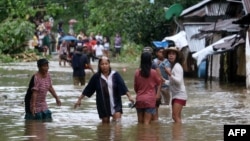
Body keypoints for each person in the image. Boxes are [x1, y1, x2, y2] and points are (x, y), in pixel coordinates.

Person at [74, 56, 134, 123]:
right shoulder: (96, 77)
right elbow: (88, 89)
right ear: (99, 66)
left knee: (117, 125)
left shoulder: (115, 75)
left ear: (109, 65)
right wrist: (79, 99)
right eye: (102, 64)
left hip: (116, 103)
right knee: (105, 126)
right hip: (102, 104)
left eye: (106, 64)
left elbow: (123, 86)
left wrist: (129, 96)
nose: (104, 66)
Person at [134, 52, 161, 125]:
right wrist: (157, 94)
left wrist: (140, 94)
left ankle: (140, 136)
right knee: (147, 123)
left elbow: (135, 87)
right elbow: (159, 83)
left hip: (139, 99)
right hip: (150, 100)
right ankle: (147, 136)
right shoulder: (153, 72)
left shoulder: (137, 73)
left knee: (140, 122)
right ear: (150, 60)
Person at [164, 47, 187, 123]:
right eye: (169, 54)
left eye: (173, 54)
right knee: (176, 117)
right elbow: (172, 83)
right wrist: (164, 81)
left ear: (176, 56)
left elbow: (179, 81)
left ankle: (177, 133)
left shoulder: (177, 66)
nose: (171, 56)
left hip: (180, 94)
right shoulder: (172, 66)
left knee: (175, 116)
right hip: (175, 95)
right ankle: (178, 134)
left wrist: (169, 74)